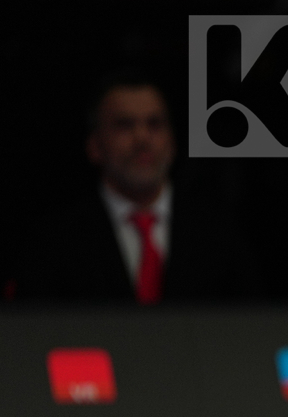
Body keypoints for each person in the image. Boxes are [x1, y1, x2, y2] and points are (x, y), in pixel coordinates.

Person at [14, 75, 256, 303]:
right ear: (94, 146)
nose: (142, 138)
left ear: (172, 143)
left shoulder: (218, 232)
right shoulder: (55, 241)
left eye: (154, 124)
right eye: (124, 125)